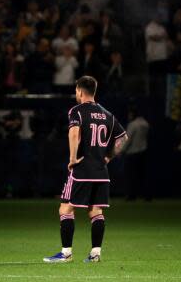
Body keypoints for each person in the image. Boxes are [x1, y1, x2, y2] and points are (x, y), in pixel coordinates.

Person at [44, 76, 128, 264]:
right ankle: (95, 253)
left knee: (65, 208)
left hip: (82, 170)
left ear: (80, 91)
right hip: (101, 172)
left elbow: (74, 133)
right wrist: (108, 157)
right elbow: (123, 138)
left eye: (76, 91)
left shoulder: (77, 111)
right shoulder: (107, 114)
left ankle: (66, 253)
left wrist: (73, 158)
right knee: (95, 211)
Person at [120, 106, 150, 201]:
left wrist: (121, 150)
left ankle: (131, 196)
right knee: (142, 175)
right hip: (143, 152)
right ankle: (146, 195)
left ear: (133, 114)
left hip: (132, 153)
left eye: (129, 114)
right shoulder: (145, 123)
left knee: (131, 176)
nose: (128, 116)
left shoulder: (133, 125)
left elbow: (127, 140)